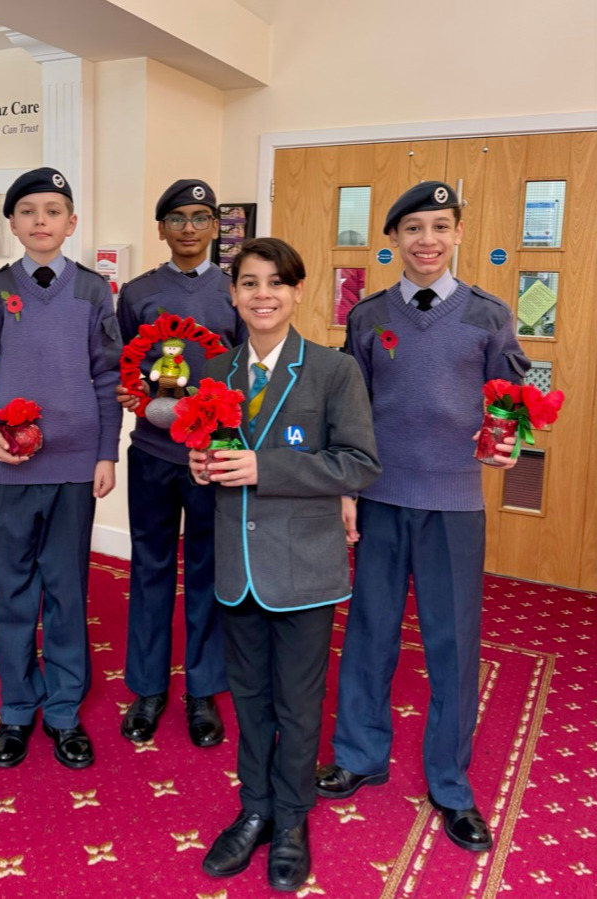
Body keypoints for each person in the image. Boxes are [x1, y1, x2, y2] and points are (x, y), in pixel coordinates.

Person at [315, 182, 530, 853]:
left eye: (439, 226)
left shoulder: (488, 315)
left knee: (451, 644)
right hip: (378, 497)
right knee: (369, 632)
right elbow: (349, 410)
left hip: (454, 503)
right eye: (412, 228)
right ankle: (357, 753)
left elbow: (512, 397)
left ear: (459, 232)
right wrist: (344, 490)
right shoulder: (367, 313)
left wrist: (511, 441)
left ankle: (449, 783)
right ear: (394, 240)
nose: (425, 240)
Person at [190, 237, 381, 891]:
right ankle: (256, 808)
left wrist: (262, 467)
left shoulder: (333, 370)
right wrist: (203, 463)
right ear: (234, 294)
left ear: (297, 291)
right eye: (248, 283)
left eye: (275, 282)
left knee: (298, 705)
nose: (262, 294)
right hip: (236, 563)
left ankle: (293, 817)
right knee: (249, 699)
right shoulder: (216, 371)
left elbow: (358, 463)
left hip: (303, 568)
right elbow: (212, 451)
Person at [0, 167, 122, 770]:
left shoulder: (93, 290)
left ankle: (63, 712)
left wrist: (106, 451)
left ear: (71, 223)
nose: (41, 221)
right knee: (12, 592)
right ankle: (17, 710)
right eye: (28, 211)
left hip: (76, 466)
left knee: (66, 590)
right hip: (10, 465)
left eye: (53, 211)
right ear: (13, 224)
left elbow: (108, 375)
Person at [116, 179, 245, 749]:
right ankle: (147, 688)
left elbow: (248, 369)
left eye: (200, 217)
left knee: (206, 572)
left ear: (216, 226)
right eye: (177, 217)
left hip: (211, 456)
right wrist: (130, 393)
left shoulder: (236, 290)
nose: (188, 227)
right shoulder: (139, 292)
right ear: (161, 227)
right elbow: (125, 361)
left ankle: (201, 689)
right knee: (148, 567)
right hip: (151, 452)